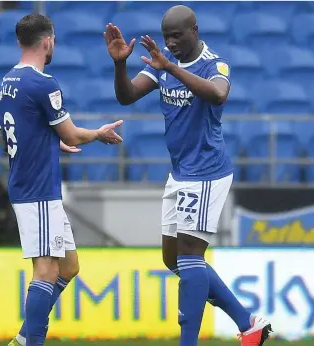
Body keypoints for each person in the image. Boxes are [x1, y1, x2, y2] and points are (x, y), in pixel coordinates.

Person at [105, 5, 272, 346]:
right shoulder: (164, 59)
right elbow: (127, 96)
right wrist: (120, 63)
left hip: (207, 171)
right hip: (180, 172)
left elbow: (218, 93)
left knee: (191, 255)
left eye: (177, 36)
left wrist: (170, 68)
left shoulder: (214, 64)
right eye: (167, 37)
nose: (171, 42)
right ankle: (247, 322)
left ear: (195, 30)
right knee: (173, 258)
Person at [0, 13, 124, 346]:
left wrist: (48, 140)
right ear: (47, 40)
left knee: (69, 266)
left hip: (28, 184)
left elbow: (6, 139)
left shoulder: (7, 83)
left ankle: (26, 335)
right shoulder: (43, 83)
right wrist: (97, 133)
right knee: (46, 271)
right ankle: (32, 340)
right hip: (37, 188)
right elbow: (70, 133)